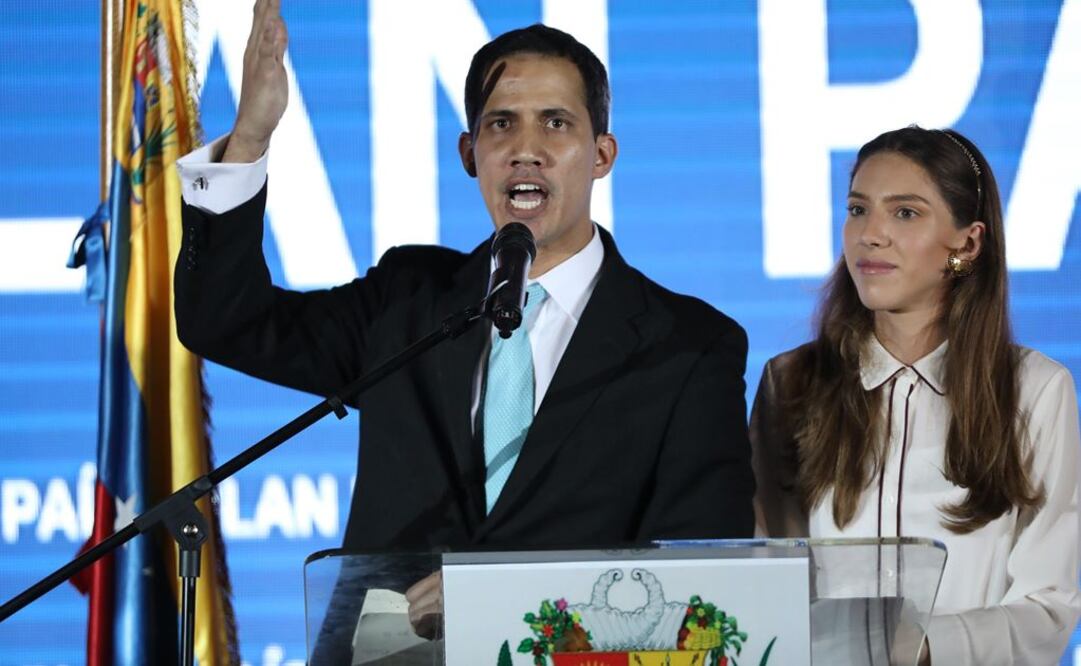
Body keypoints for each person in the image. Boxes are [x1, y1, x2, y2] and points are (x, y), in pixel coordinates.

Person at [175, 0, 755, 633]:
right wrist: (250, 140)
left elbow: (700, 575)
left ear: (602, 154)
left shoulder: (688, 348)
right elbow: (225, 321)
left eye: (556, 123)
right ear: (470, 153)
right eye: (501, 124)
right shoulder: (406, 301)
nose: (526, 149)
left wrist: (505, 601)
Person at [751, 125, 1081, 665]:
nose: (870, 234)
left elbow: (1047, 607)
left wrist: (919, 648)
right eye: (858, 209)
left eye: (905, 213)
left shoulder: (1036, 389)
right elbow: (765, 574)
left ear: (968, 243)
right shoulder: (791, 381)